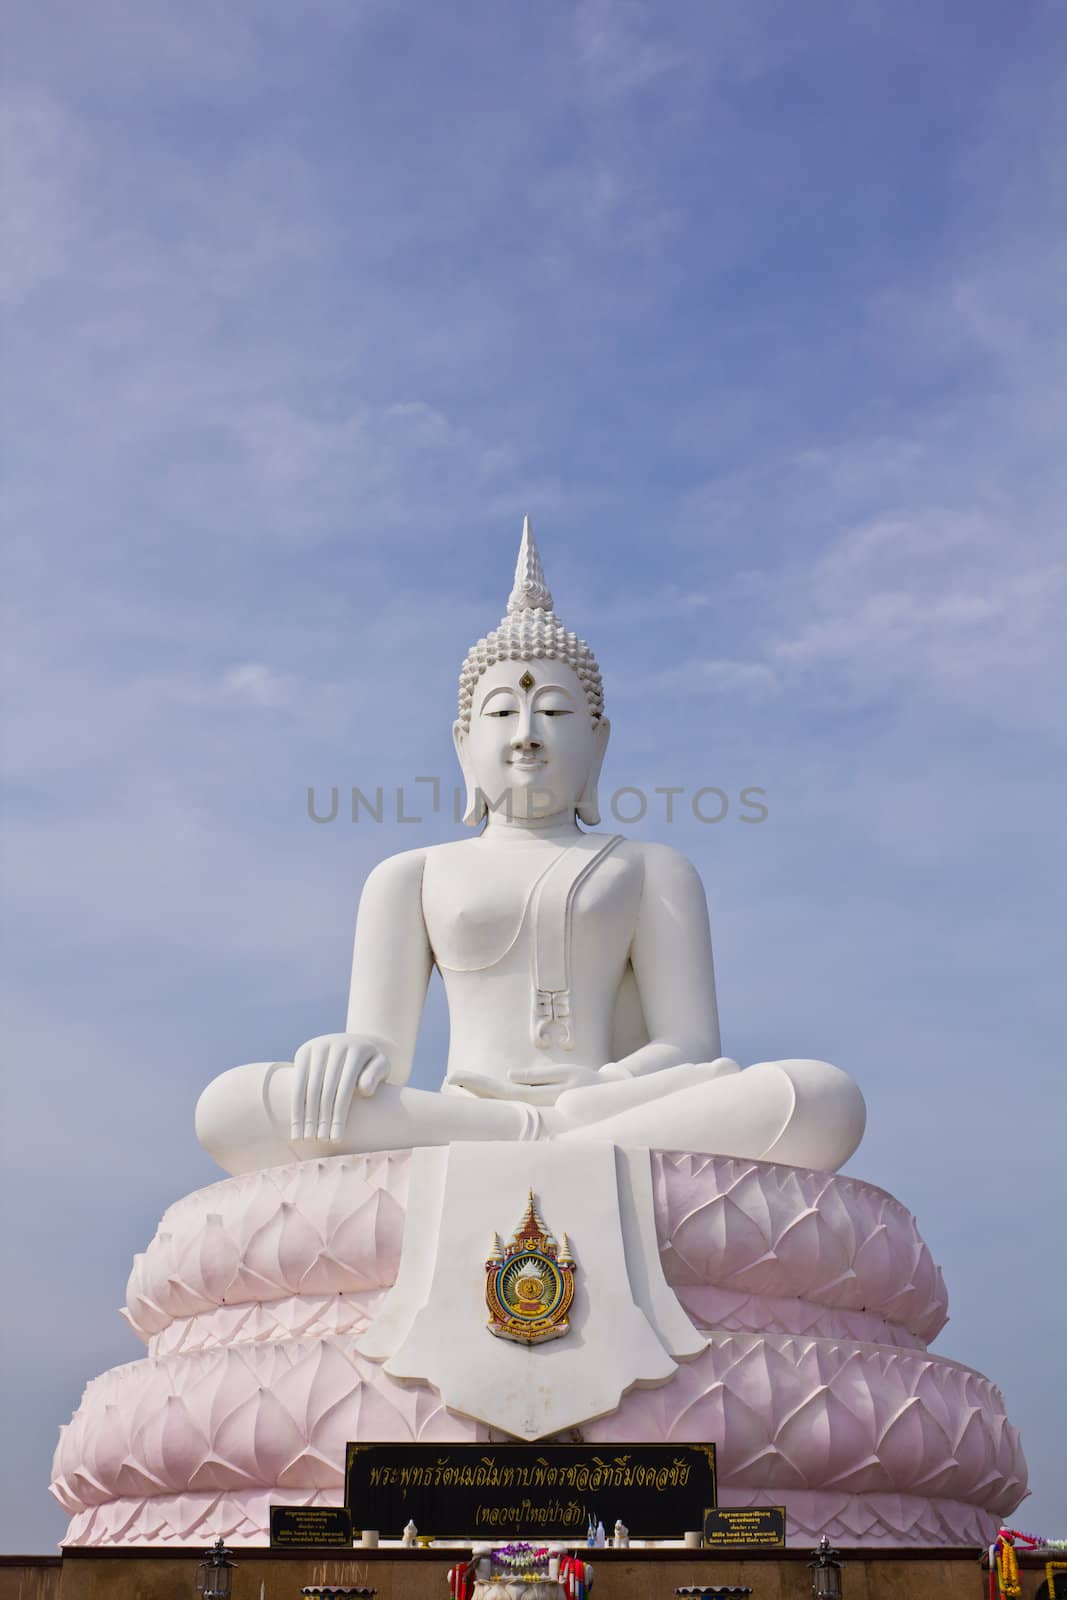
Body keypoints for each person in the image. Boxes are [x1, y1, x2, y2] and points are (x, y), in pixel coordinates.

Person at [196, 522, 865, 1176]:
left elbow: (689, 1047)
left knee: (818, 1097)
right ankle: (543, 1140)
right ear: (463, 743)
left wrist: (598, 1089)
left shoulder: (651, 868)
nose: (526, 736)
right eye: (499, 714)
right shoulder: (413, 875)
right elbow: (384, 1053)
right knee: (233, 1107)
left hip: (605, 1104)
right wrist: (345, 1054)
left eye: (553, 712)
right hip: (466, 1114)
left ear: (597, 741)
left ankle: (554, 1136)